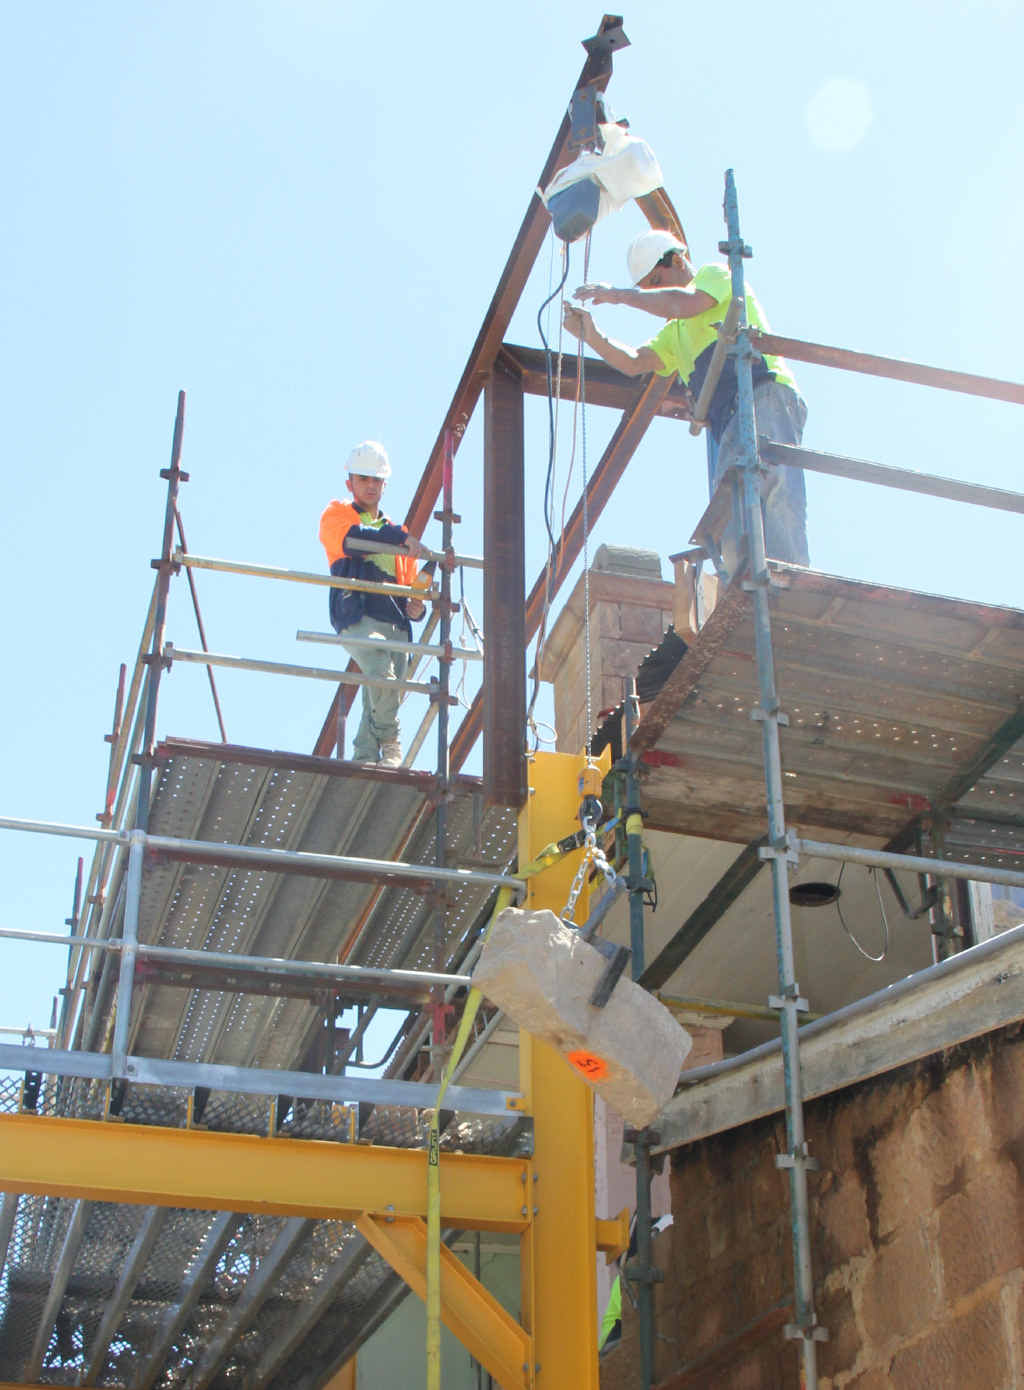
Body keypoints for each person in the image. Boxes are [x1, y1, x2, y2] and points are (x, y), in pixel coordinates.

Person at [562, 229, 809, 574]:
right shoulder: (674, 333)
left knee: (776, 493)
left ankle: (789, 583)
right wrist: (591, 335)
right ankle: (749, 591)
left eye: (656, 281)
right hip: (729, 420)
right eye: (648, 288)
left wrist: (618, 295)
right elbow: (633, 362)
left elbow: (683, 302)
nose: (653, 295)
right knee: (733, 509)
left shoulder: (714, 277)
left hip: (764, 393)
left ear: (677, 261)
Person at [318, 441, 426, 766]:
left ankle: (365, 756)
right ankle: (391, 739)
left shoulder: (397, 533)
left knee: (377, 692)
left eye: (375, 480)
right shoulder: (338, 514)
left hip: (394, 622)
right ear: (350, 483)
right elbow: (353, 540)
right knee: (382, 676)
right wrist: (398, 538)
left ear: (384, 485)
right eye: (363, 479)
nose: (369, 485)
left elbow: (410, 588)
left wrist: (417, 607)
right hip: (358, 613)